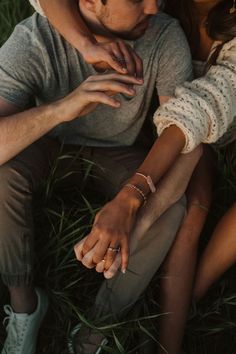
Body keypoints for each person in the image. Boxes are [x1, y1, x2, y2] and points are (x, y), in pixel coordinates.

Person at [0, 1, 202, 354]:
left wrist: (133, 195)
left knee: (171, 205)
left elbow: (182, 134)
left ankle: (97, 324)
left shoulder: (165, 35)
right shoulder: (33, 39)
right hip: (51, 147)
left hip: (118, 154)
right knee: (4, 174)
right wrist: (61, 109)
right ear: (91, 1)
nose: (154, 6)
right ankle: (25, 307)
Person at [152, 1, 236, 353]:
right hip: (159, 125)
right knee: (192, 208)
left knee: (197, 206)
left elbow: (206, 102)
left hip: (213, 128)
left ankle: (189, 303)